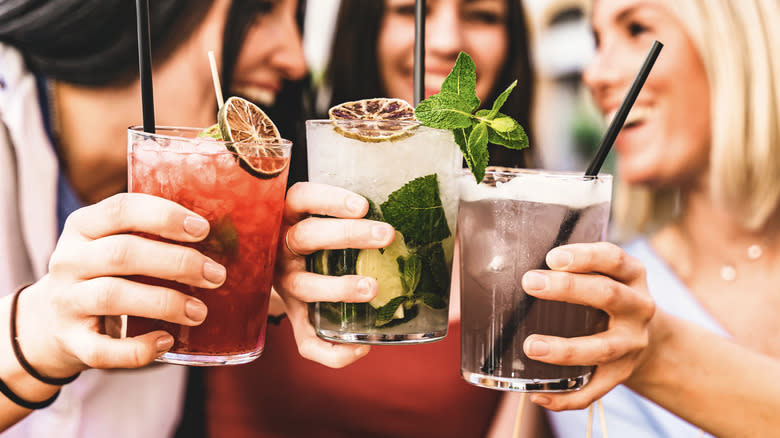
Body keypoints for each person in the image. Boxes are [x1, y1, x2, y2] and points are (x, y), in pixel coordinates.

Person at [202, 1, 647, 436]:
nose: (448, 40)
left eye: (482, 16)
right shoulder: (262, 188)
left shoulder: (525, 232)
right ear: (364, 28)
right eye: (410, 11)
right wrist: (259, 269)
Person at [0, 0, 373, 435]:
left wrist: (257, 269)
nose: (295, 59)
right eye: (259, 9)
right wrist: (32, 336)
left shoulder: (187, 186)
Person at [521, 0, 780, 436]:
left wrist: (657, 354)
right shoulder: (603, 301)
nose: (595, 74)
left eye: (637, 28)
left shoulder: (619, 317)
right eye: (597, 42)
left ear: (736, 42)